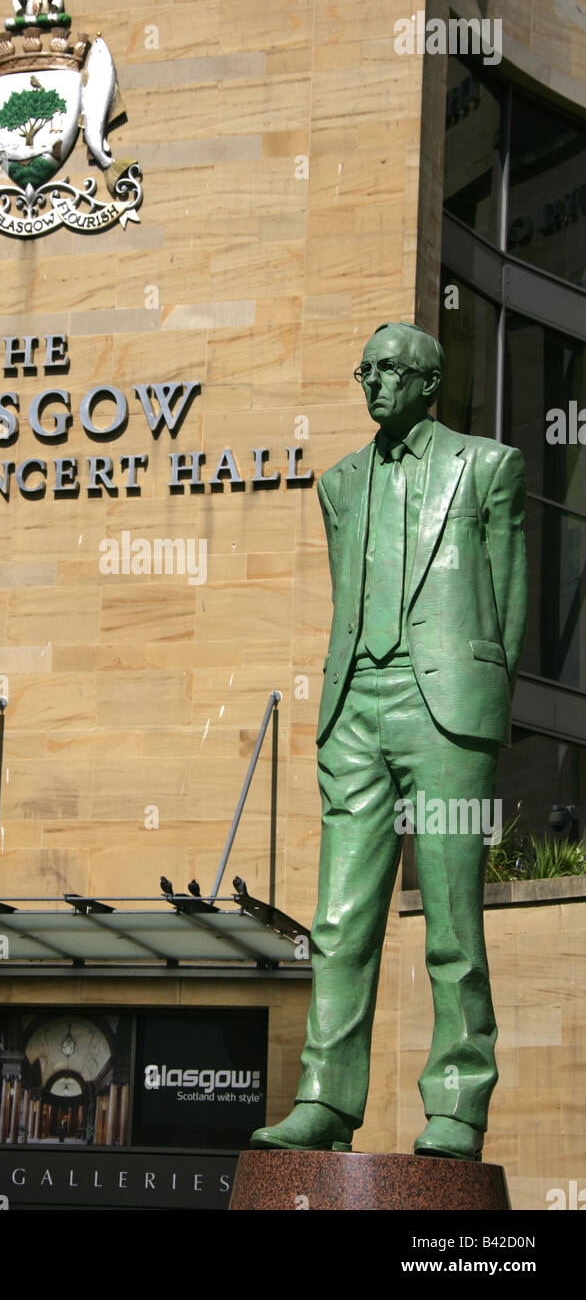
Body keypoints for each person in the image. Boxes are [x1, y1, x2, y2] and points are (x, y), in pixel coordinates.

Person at [252, 320, 527, 1162]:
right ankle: (326, 1102)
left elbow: (509, 602)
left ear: (427, 380)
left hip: (444, 708)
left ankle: (456, 1102)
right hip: (355, 708)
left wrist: (484, 700)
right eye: (364, 371)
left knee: (451, 917)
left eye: (390, 370)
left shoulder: (487, 466)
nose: (372, 384)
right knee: (339, 920)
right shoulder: (339, 484)